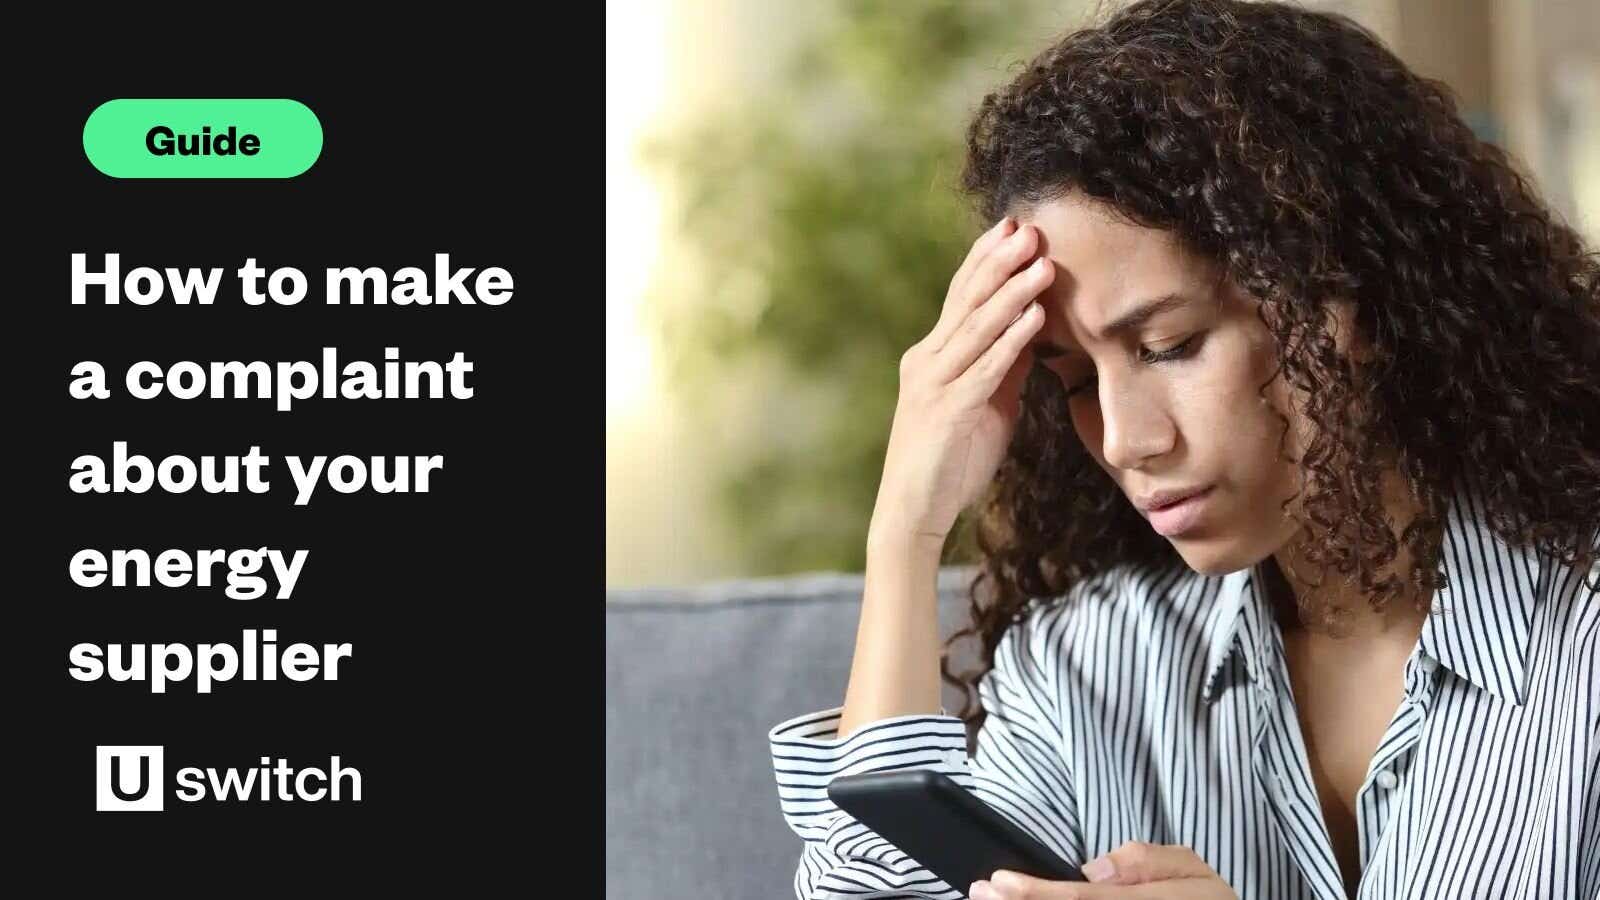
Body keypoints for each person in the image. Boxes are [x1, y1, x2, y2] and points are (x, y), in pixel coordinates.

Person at [766, 1, 1600, 898]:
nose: (1126, 441)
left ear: (1342, 299)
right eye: (1076, 380)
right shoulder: (1087, 668)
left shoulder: (1579, 644)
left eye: (1168, 346)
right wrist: (905, 531)